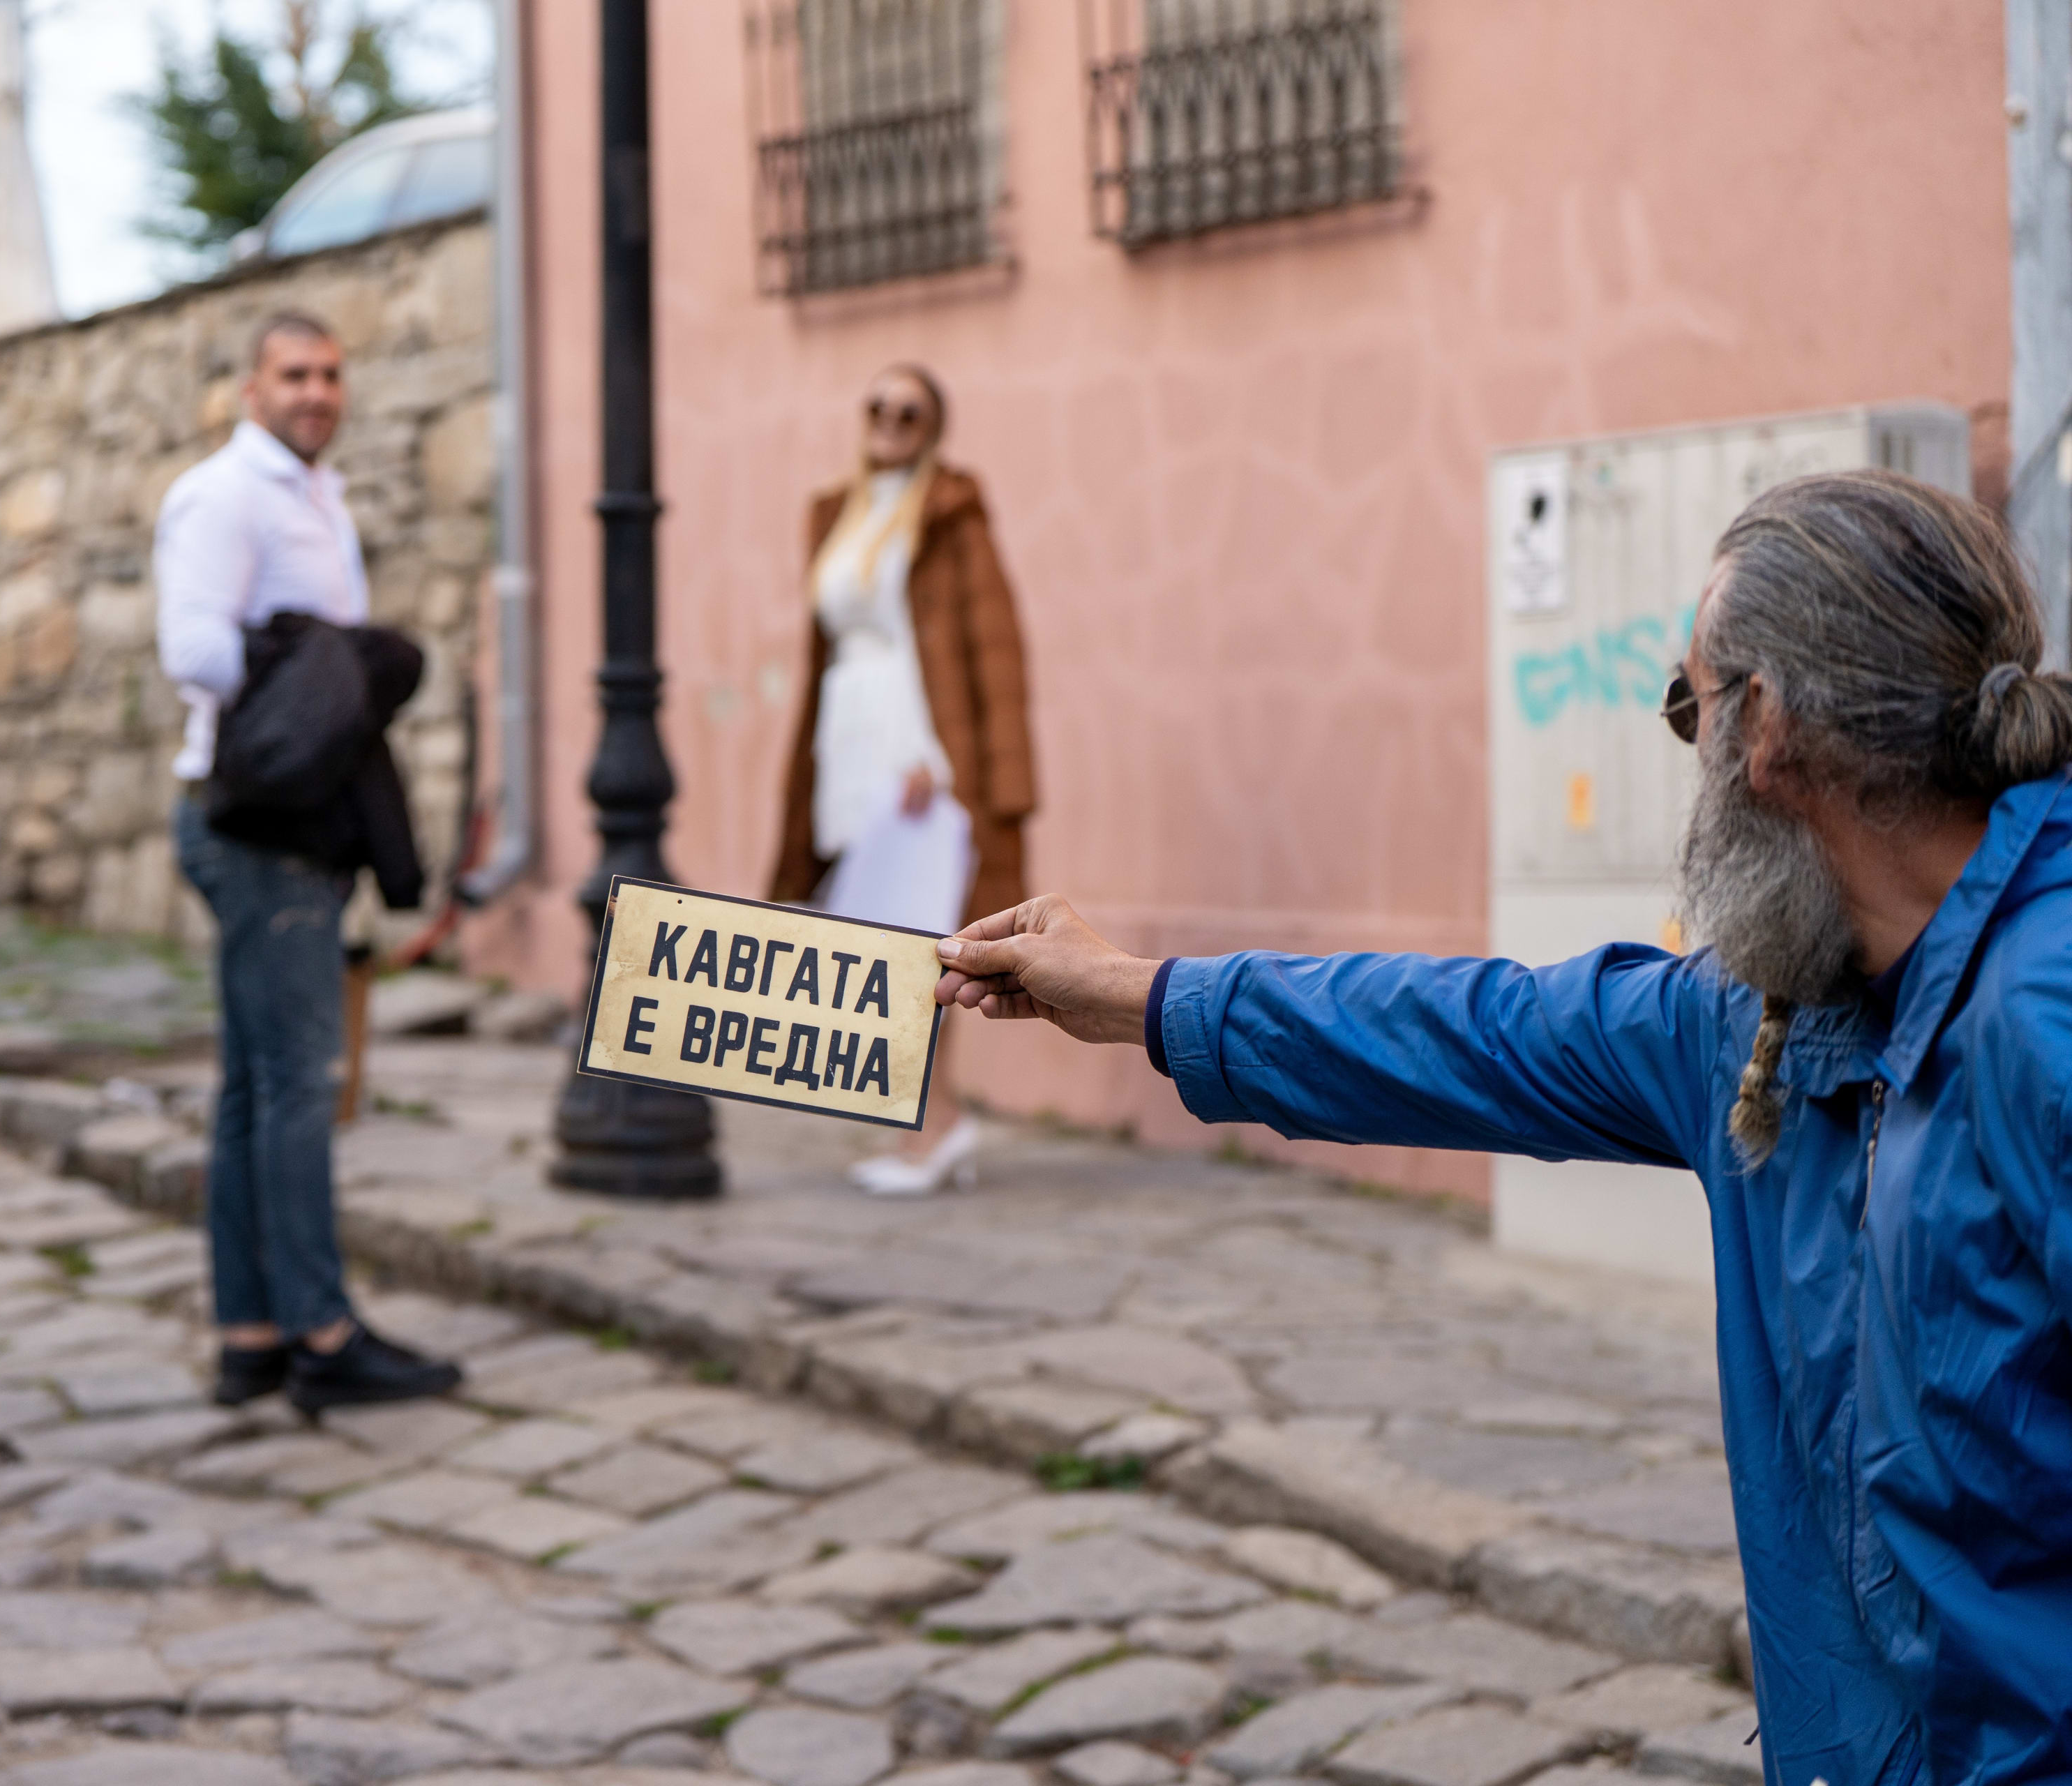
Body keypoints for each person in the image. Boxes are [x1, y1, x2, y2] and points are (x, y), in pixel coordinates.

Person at [934, 470, 2072, 1784]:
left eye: (1683, 706)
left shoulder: (2040, 1018)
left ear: (1765, 733)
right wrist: (1143, 998)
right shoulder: (1771, 1016)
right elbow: (1467, 1032)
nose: (1684, 754)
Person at [155, 310, 461, 1414]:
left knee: (255, 1089)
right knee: (299, 1090)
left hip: (297, 831)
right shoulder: (226, 496)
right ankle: (324, 1335)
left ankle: (251, 1334)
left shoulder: (314, 495)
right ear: (251, 389)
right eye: (293, 374)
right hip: (261, 832)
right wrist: (319, 666)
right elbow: (191, 646)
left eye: (331, 374)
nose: (316, 391)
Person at [770, 364, 1035, 1196]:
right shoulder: (835, 512)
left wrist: (937, 752)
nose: (890, 422)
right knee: (871, 938)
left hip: (912, 746)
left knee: (919, 940)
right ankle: (919, 1122)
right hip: (848, 740)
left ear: (933, 427)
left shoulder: (951, 509)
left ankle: (940, 1120)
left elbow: (988, 643)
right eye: (877, 406)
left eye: (909, 412)